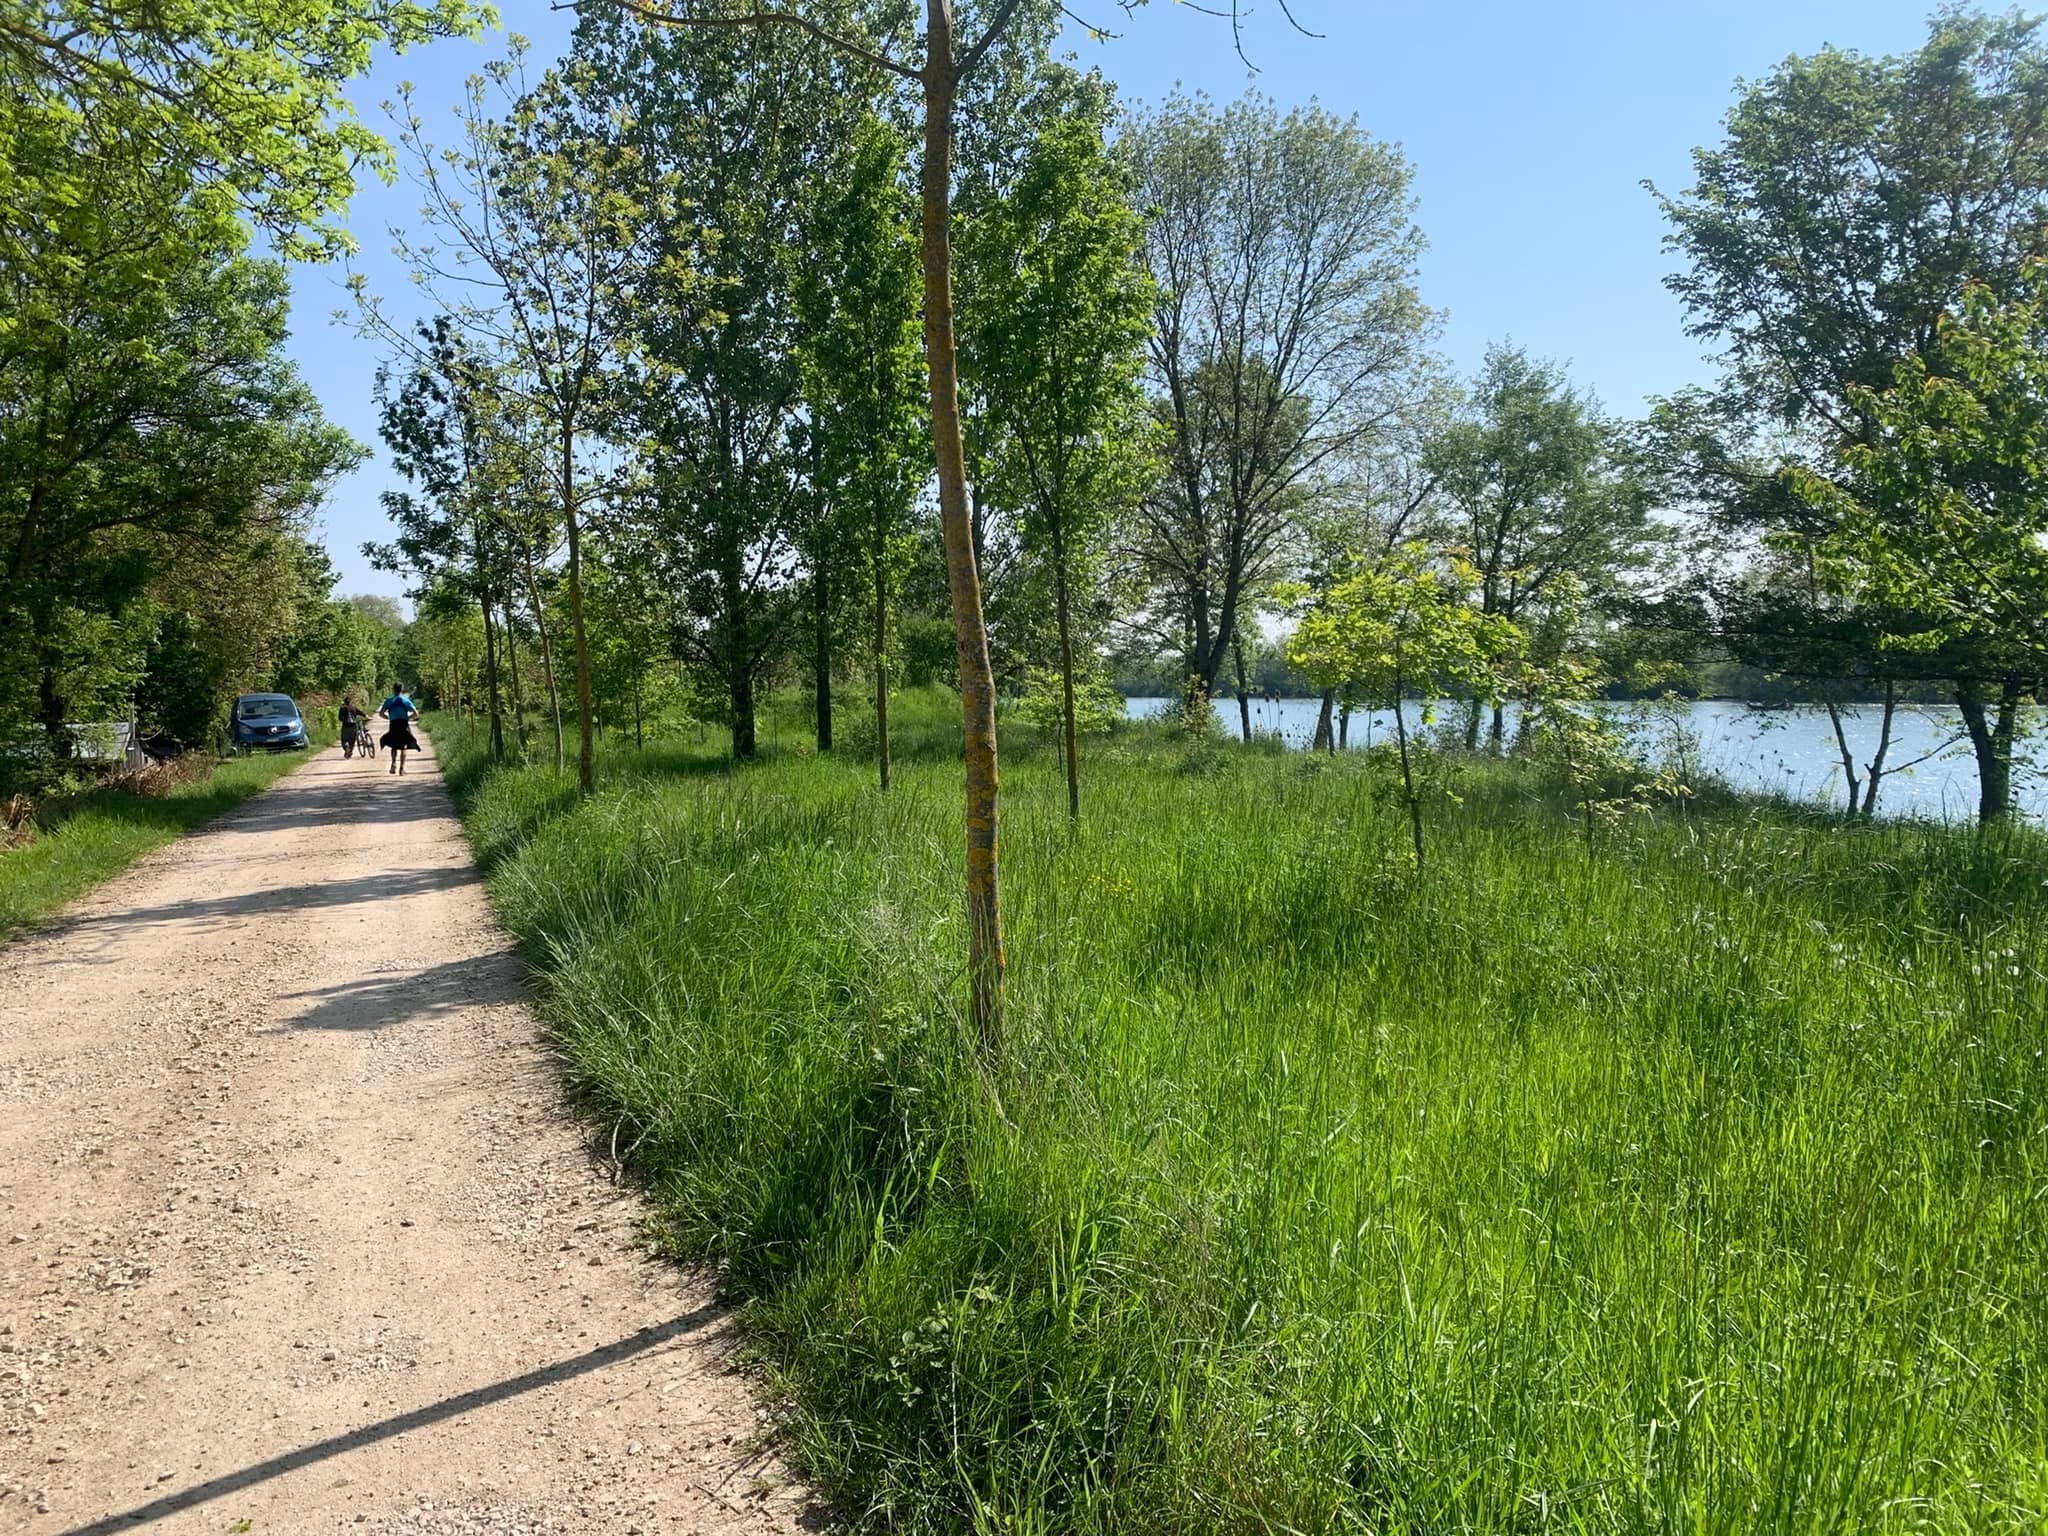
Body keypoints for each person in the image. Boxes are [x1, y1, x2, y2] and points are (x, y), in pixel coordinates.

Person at [378, 685, 420, 776]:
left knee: (394, 744)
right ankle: (402, 769)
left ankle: (393, 763)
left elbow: (381, 713)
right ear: (401, 690)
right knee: (403, 746)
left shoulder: (389, 701)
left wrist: (388, 717)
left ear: (393, 690)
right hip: (403, 724)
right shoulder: (406, 700)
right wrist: (408, 718)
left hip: (393, 724)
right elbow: (416, 713)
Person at [338, 694, 365, 759]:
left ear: (344, 702)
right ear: (350, 701)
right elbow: (361, 713)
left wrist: (344, 720)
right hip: (354, 726)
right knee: (352, 741)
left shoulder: (342, 708)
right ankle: (350, 751)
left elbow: (339, 718)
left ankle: (346, 748)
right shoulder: (354, 707)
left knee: (344, 739)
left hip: (346, 726)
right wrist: (366, 716)